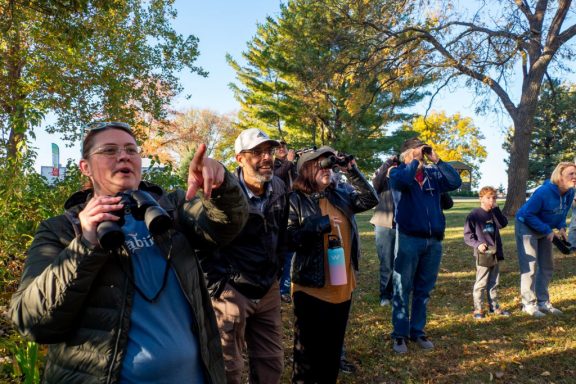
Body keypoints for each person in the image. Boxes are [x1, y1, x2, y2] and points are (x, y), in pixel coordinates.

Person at [9, 121, 248, 384]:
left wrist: (221, 186)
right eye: (109, 150)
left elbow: (227, 225)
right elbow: (31, 320)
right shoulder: (61, 231)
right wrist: (85, 244)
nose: (123, 156)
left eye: (131, 150)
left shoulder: (172, 210)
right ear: (85, 167)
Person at [199, 128, 288, 384]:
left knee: (271, 363)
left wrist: (276, 272)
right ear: (239, 158)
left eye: (269, 151)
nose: (266, 158)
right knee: (229, 369)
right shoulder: (222, 193)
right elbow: (202, 241)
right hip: (233, 291)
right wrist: (219, 284)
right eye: (257, 152)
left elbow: (280, 233)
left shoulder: (279, 187)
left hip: (268, 288)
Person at [286, 146, 378, 383]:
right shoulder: (295, 199)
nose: (326, 168)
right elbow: (289, 239)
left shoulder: (341, 194)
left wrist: (351, 170)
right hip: (311, 288)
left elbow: (370, 199)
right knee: (306, 356)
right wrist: (317, 224)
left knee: (332, 352)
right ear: (306, 170)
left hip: (342, 287)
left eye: (328, 163)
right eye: (319, 163)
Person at [389, 137, 461, 354]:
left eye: (422, 149)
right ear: (405, 154)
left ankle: (417, 331)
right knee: (402, 287)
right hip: (409, 237)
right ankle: (399, 334)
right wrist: (412, 162)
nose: (421, 153)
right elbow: (401, 182)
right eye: (416, 150)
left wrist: (437, 160)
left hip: (434, 240)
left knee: (424, 289)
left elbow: (455, 182)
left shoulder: (433, 174)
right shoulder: (397, 172)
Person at [515, 161, 576, 317]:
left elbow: (562, 213)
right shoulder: (544, 192)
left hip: (545, 228)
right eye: (571, 174)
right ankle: (528, 304)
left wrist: (561, 226)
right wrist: (547, 230)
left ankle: (543, 302)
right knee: (530, 266)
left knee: (547, 265)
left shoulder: (569, 193)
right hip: (527, 226)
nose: (575, 177)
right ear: (560, 176)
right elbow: (527, 214)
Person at [464, 186, 510, 319]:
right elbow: (468, 235)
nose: (491, 200)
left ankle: (494, 307)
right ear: (481, 199)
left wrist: (496, 209)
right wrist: (478, 245)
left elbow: (502, 224)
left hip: (496, 252)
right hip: (483, 254)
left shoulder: (494, 213)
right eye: (488, 198)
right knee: (481, 282)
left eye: (494, 198)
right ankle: (478, 309)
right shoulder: (474, 215)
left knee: (494, 281)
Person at [370, 156, 399, 306]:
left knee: (399, 261)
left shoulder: (402, 177)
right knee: (386, 262)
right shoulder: (381, 179)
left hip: (402, 225)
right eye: (392, 165)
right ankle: (385, 295)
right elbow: (374, 184)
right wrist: (387, 163)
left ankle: (397, 293)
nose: (394, 166)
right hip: (383, 223)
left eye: (396, 164)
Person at [274, 140, 298, 303]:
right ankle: (274, 287)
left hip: (295, 209)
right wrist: (288, 161)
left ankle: (284, 289)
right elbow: (276, 178)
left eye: (284, 146)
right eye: (278, 147)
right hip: (279, 211)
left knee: (291, 251)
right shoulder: (272, 164)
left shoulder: (293, 164)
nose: (282, 149)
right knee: (278, 250)